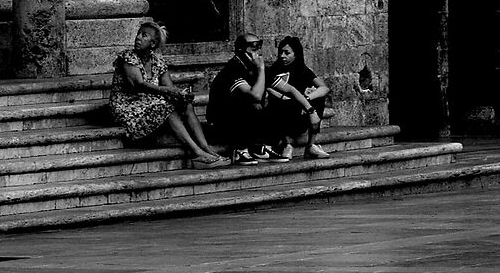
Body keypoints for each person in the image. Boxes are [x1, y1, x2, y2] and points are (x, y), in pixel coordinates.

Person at [109, 21, 226, 165]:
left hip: (148, 103)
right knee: (166, 107)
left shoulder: (157, 61)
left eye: (144, 35)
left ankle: (205, 147)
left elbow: (169, 88)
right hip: (128, 106)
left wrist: (181, 95)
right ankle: (197, 153)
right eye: (138, 34)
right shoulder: (128, 57)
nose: (138, 38)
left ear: (153, 44)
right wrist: (170, 91)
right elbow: (140, 85)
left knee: (185, 104)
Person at [208, 33, 303, 161]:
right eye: (254, 49)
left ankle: (263, 146)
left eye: (259, 48)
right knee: (251, 104)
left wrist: (310, 109)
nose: (258, 52)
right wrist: (261, 68)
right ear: (241, 51)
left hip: (248, 118)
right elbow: (256, 96)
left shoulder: (254, 67)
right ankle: (240, 150)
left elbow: (289, 89)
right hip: (222, 122)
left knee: (287, 103)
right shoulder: (233, 69)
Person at [267, 35, 334, 159]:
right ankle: (287, 144)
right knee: (281, 102)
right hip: (281, 112)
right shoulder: (273, 70)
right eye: (281, 52)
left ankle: (311, 145)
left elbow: (324, 88)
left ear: (295, 54)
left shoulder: (303, 70)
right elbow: (269, 89)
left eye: (287, 53)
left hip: (301, 111)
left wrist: (307, 100)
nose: (283, 56)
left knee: (319, 99)